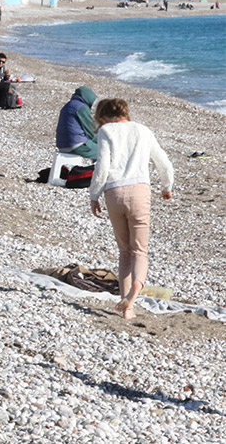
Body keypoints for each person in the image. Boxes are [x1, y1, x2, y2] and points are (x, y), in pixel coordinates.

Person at [88, 98, 174, 320]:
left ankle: (127, 308)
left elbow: (103, 166)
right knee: (139, 250)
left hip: (114, 192)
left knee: (124, 250)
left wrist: (94, 195)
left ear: (102, 117)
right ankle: (137, 286)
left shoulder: (106, 131)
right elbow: (163, 162)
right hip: (140, 192)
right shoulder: (143, 130)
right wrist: (167, 186)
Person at [56, 86, 98, 160]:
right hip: (76, 145)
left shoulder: (68, 105)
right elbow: (90, 132)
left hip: (62, 145)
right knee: (106, 152)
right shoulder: (82, 107)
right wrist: (102, 139)